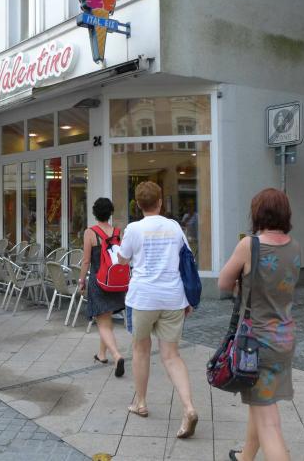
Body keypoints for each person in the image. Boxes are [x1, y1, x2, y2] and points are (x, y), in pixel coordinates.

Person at [217, 188, 299, 461]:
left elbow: (223, 283)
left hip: (257, 343)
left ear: (257, 213)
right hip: (285, 337)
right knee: (261, 402)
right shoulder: (295, 246)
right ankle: (246, 456)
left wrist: (243, 282)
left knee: (269, 423)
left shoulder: (250, 245)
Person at [117, 181, 198, 439]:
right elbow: (187, 259)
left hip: (143, 298)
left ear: (138, 205)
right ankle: (188, 407)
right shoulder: (174, 227)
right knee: (172, 356)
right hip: (173, 297)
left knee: (141, 350)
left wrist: (120, 251)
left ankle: (140, 403)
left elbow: (123, 259)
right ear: (160, 202)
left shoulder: (133, 229)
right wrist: (187, 299)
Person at [78, 198, 126, 378]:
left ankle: (116, 355)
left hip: (98, 282)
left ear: (94, 213)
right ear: (110, 213)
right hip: (115, 282)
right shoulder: (117, 232)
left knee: (102, 322)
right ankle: (102, 355)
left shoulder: (90, 233)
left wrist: (81, 281)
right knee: (106, 319)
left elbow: (86, 261)